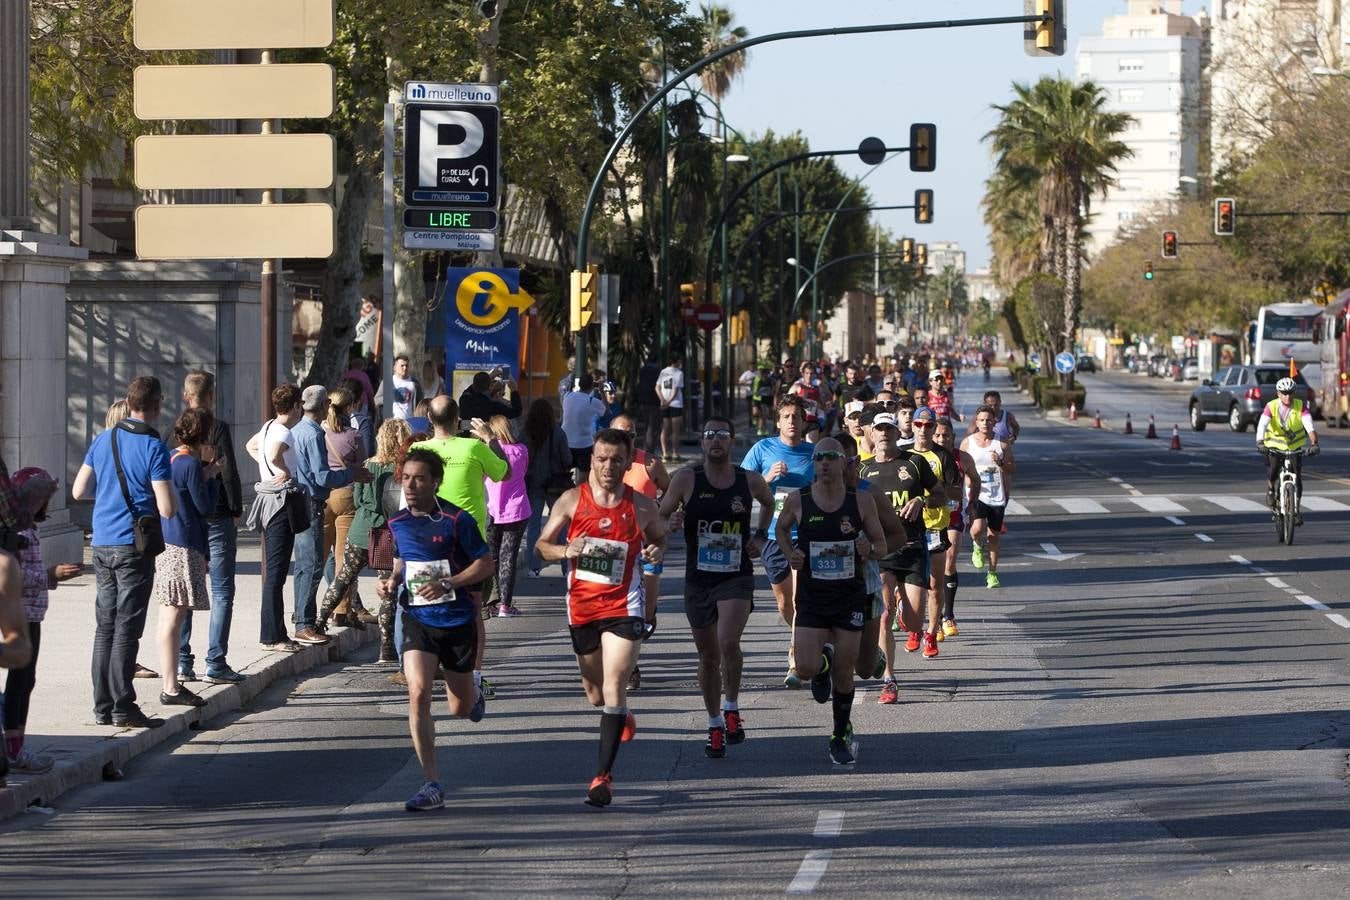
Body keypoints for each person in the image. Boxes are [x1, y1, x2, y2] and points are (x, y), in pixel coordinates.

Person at [534, 428, 667, 807]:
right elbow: (541, 548)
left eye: (616, 460)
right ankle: (619, 714)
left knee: (615, 682)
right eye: (602, 458)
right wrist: (564, 551)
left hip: (624, 606)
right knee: (595, 694)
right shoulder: (572, 500)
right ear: (592, 460)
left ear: (628, 464)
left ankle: (602, 778)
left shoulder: (642, 506)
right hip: (583, 608)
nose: (608, 466)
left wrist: (656, 550)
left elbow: (658, 538)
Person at [378, 448, 495, 812]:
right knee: (418, 692)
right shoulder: (397, 522)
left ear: (435, 482)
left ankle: (473, 692)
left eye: (419, 479)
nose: (411, 485)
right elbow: (402, 561)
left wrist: (450, 583)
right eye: (406, 478)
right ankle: (431, 783)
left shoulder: (456, 520)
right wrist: (391, 581)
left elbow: (486, 563)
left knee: (460, 710)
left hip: (457, 621)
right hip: (418, 619)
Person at [660, 416, 774, 757]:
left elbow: (769, 503)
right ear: (703, 442)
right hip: (698, 578)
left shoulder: (748, 480)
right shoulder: (685, 479)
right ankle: (713, 724)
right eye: (709, 435)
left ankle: (732, 706)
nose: (715, 441)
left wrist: (760, 536)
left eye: (722, 436)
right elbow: (661, 515)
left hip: (735, 573)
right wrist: (671, 522)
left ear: (731, 441)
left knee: (727, 642)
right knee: (708, 657)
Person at [72, 376, 177, 729]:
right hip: (133, 547)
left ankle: (101, 707)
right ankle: (123, 706)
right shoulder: (153, 446)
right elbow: (166, 508)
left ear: (128, 402)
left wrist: (110, 499)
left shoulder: (103, 439)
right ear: (157, 405)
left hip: (101, 542)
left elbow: (79, 490)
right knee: (126, 628)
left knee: (105, 627)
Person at [775, 437, 887, 767]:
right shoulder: (798, 499)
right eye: (818, 458)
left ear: (843, 462)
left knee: (846, 670)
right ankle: (820, 663)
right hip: (811, 595)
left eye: (830, 457)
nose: (824, 462)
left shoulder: (862, 501)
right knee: (806, 668)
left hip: (848, 595)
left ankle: (840, 733)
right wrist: (789, 553)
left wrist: (870, 550)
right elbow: (780, 530)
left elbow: (880, 543)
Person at [412, 397, 509, 697]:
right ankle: (474, 678)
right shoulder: (474, 447)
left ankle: (425, 678)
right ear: (458, 420)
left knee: (426, 610)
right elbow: (504, 472)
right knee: (473, 613)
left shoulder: (418, 450)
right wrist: (491, 439)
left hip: (427, 542)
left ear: (429, 417)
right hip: (469, 546)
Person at [859, 411, 939, 704]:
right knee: (883, 615)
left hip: (913, 548)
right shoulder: (862, 470)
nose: (883, 435)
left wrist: (921, 500)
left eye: (889, 430)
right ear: (872, 434)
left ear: (896, 434)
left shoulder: (914, 463)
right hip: (880, 552)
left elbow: (943, 495)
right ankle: (889, 679)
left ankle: (908, 617)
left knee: (915, 622)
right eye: (879, 430)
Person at [4, 469, 81, 773]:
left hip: (32, 613)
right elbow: (12, 575)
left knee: (27, 680)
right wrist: (48, 576)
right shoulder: (16, 533)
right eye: (37, 496)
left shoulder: (29, 528)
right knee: (19, 681)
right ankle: (13, 749)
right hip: (18, 614)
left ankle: (16, 744)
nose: (41, 503)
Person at [317, 418, 411, 658]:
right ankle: (386, 647)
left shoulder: (368, 464)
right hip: (384, 533)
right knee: (387, 587)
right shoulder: (401, 470)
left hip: (360, 529)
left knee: (344, 578)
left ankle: (319, 622)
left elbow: (358, 500)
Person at [176, 371, 246, 686]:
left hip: (186, 519)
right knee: (221, 590)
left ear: (185, 396)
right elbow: (227, 469)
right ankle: (215, 661)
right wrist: (235, 508)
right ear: (212, 396)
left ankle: (182, 660)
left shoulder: (175, 429)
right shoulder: (216, 428)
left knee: (186, 590)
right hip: (217, 515)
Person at [741, 397, 816, 687]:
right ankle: (805, 634)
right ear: (778, 421)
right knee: (785, 603)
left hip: (803, 536)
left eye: (796, 416)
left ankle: (797, 659)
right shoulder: (762, 449)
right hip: (773, 536)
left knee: (799, 600)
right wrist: (767, 476)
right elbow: (742, 487)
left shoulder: (813, 452)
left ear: (804, 420)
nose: (792, 421)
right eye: (786, 416)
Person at [152, 408, 221, 710]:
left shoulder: (171, 458)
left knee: (170, 613)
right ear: (202, 434)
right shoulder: (191, 464)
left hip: (167, 541)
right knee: (174, 615)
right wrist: (214, 476)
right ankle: (170, 685)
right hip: (185, 541)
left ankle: (171, 681)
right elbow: (205, 506)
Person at [291, 385, 366, 645]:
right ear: (323, 406)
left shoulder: (296, 430)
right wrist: (351, 474)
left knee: (304, 566)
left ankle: (302, 617)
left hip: (299, 501)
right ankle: (305, 623)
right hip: (313, 501)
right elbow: (322, 476)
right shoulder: (313, 435)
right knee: (313, 567)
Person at [611, 413, 671, 692]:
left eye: (631, 435)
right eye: (619, 434)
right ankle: (629, 666)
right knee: (619, 611)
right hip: (615, 549)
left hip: (648, 547)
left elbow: (671, 495)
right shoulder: (602, 464)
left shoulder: (650, 463)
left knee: (644, 617)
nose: (626, 440)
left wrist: (665, 518)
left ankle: (645, 622)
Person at [245, 383, 305, 653]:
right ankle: (272, 636)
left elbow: (251, 446)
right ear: (294, 406)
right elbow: (273, 453)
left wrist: (266, 469)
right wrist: (282, 471)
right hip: (281, 499)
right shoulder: (285, 432)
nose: (301, 409)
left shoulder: (268, 426)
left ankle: (275, 633)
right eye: (300, 405)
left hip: (268, 497)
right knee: (276, 573)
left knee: (275, 571)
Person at [906, 406, 963, 658]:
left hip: (935, 527)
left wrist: (932, 492)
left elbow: (956, 493)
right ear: (912, 426)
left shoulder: (943, 456)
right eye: (919, 424)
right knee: (910, 584)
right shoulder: (903, 454)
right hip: (908, 529)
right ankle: (914, 628)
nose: (923, 430)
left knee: (934, 584)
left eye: (929, 426)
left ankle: (931, 631)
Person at [321, 387, 373, 628]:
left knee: (318, 557)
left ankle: (306, 611)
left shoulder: (319, 431)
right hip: (346, 495)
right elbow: (362, 468)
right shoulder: (354, 435)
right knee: (344, 557)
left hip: (322, 495)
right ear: (350, 407)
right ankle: (342, 611)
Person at [935, 416, 979, 640]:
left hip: (954, 516)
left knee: (949, 559)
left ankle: (948, 615)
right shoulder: (923, 457)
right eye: (938, 435)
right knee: (933, 569)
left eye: (946, 435)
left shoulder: (963, 458)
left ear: (953, 437)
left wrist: (971, 504)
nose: (942, 439)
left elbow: (976, 480)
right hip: (929, 518)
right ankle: (933, 618)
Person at [962, 404, 1014, 590]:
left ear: (994, 422)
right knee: (976, 529)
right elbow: (960, 466)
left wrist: (1000, 462)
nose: (985, 423)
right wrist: (967, 479)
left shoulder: (1002, 442)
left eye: (988, 420)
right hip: (976, 493)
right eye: (981, 420)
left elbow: (1011, 469)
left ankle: (992, 573)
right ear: (976, 422)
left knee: (994, 535)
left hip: (996, 494)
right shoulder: (968, 442)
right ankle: (977, 545)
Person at [483, 416, 530, 618]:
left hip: (491, 508)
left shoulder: (486, 451)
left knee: (491, 556)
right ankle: (506, 605)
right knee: (508, 557)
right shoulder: (521, 450)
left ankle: (492, 601)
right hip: (516, 509)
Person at [522, 399, 572, 578]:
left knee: (533, 526)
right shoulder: (558, 433)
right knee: (561, 525)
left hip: (533, 483)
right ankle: (567, 568)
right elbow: (567, 459)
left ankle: (534, 568)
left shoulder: (525, 434)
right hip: (555, 484)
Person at [1257, 376, 1320, 518]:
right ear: (1278, 393)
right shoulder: (1271, 406)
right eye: (1284, 393)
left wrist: (1314, 443)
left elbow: (1309, 426)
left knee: (1297, 476)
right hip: (1273, 447)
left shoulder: (1300, 406)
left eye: (1290, 392)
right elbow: (1262, 425)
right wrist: (1260, 442)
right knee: (1273, 470)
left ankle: (1296, 508)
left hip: (1294, 447)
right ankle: (1271, 490)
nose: (1287, 396)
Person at [562, 373, 607, 476]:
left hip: (566, 442)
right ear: (592, 386)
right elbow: (606, 411)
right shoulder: (592, 401)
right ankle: (580, 491)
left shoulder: (567, 396)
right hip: (584, 445)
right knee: (584, 476)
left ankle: (567, 491)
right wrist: (601, 391)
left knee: (564, 474)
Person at [459, 370, 523, 423]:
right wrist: (513, 389)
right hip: (482, 437)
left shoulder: (464, 400)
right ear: (489, 386)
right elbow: (516, 412)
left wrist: (489, 377)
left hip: (464, 436)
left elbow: (470, 389)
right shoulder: (492, 406)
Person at [656, 356, 685, 462]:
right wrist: (669, 402)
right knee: (675, 431)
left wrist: (663, 400)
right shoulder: (679, 373)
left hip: (664, 403)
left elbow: (657, 387)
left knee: (665, 429)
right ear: (677, 361)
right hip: (676, 404)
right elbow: (676, 389)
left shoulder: (663, 371)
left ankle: (664, 453)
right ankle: (675, 453)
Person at [636, 359, 662, 454]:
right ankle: (649, 451)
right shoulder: (658, 372)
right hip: (654, 402)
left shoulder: (642, 371)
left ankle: (645, 448)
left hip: (644, 401)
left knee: (647, 426)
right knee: (652, 427)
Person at [391, 354, 420, 420]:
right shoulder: (388, 381)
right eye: (402, 366)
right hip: (393, 421)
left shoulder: (414, 382)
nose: (405, 368)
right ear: (395, 367)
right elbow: (377, 399)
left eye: (406, 365)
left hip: (410, 421)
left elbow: (420, 402)